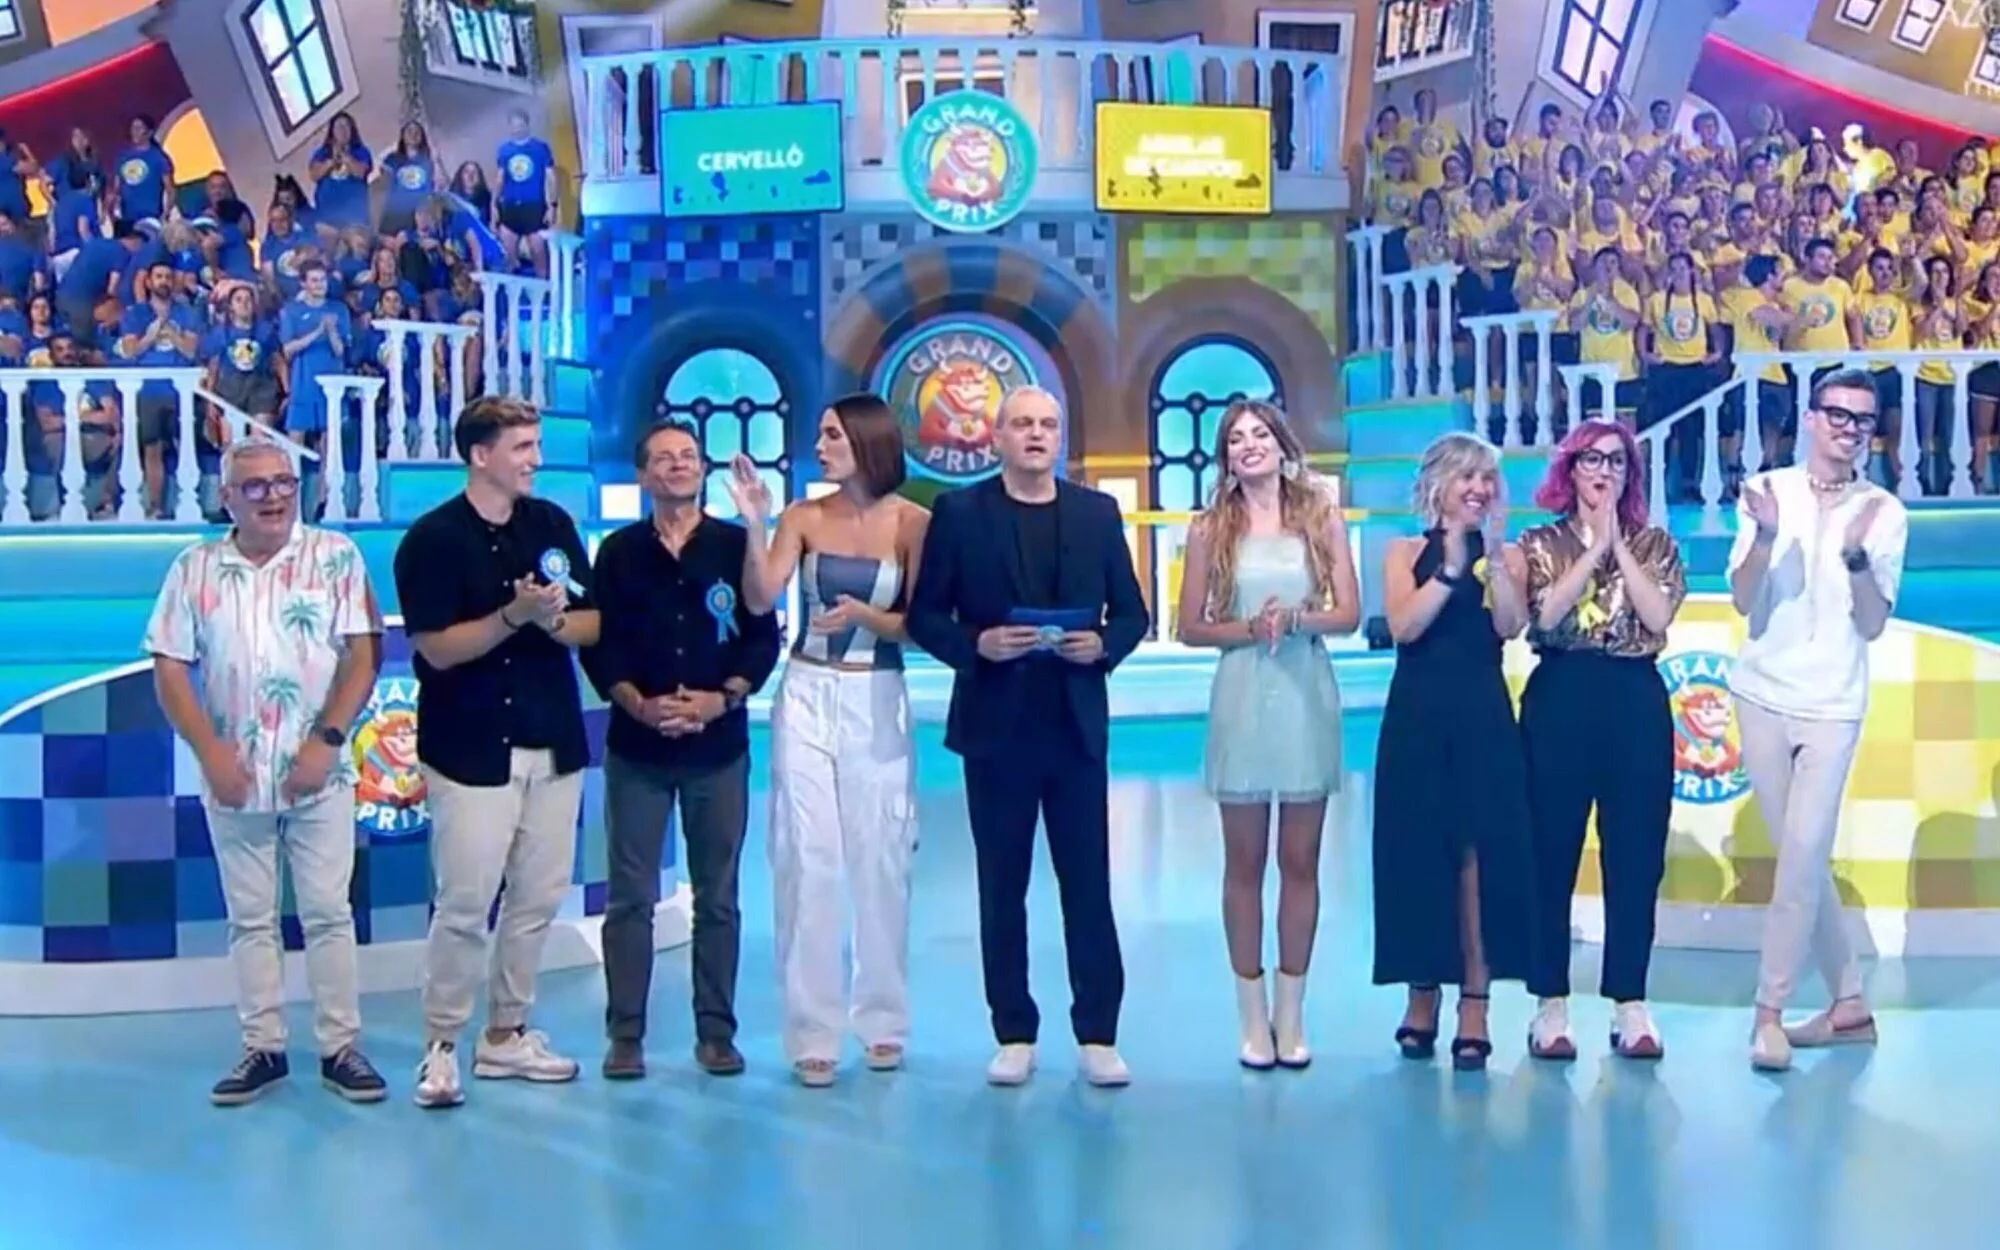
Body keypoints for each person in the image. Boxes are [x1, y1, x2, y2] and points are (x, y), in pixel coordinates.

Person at [905, 386, 1150, 1088]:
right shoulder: (959, 513)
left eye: (1047, 424)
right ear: (997, 438)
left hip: (1074, 727)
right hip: (996, 726)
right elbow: (926, 616)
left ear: (1060, 436)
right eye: (1022, 424)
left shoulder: (1097, 513)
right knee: (1001, 884)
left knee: (1088, 884)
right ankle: (1013, 1030)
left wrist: (1102, 646)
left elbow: (1132, 614)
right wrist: (976, 645)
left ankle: (1098, 1033)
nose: (1036, 434)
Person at [143, 438, 387, 1106]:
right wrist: (210, 753)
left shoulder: (336, 555)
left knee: (328, 912)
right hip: (235, 779)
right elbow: (169, 666)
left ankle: (341, 1048)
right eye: (255, 487)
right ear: (227, 498)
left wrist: (327, 741)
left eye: (284, 483)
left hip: (321, 774)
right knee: (250, 919)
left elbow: (365, 653)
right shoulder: (194, 568)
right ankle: (263, 1047)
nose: (274, 496)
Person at [392, 395, 601, 1109]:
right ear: (480, 455)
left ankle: (507, 1034)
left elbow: (593, 623)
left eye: (537, 445)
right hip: (469, 747)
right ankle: (441, 1045)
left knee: (537, 898)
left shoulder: (553, 526)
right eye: (522, 447)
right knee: (465, 902)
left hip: (553, 741)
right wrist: (513, 615)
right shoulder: (432, 541)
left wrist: (552, 619)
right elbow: (438, 650)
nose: (536, 459)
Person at [729, 394, 930, 1087]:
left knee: (881, 858)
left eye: (832, 435)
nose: (820, 446)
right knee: (806, 858)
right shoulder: (802, 517)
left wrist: (868, 615)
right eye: (820, 435)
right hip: (808, 693)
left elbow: (921, 625)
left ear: (868, 441)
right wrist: (755, 521)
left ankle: (883, 1022)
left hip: (877, 693)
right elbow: (761, 597)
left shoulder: (913, 523)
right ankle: (812, 1032)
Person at [584, 421, 780, 1080]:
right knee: (629, 899)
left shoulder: (735, 545)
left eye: (689, 456)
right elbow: (601, 644)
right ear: (643, 475)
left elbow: (762, 637)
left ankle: (716, 1034)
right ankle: (626, 1036)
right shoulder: (618, 553)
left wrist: (721, 699)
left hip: (718, 749)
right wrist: (635, 702)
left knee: (718, 899)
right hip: (636, 750)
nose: (678, 465)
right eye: (664, 458)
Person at [1727, 368, 1907, 1072]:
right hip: (1761, 695)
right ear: (1811, 417)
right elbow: (1743, 598)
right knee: (1801, 861)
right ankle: (1850, 1004)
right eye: (1838, 414)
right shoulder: (1767, 491)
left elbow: (1873, 622)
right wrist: (1766, 537)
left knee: (1801, 857)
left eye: (1862, 419)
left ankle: (1767, 1012)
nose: (1850, 428)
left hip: (1833, 705)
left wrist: (1856, 556)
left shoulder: (1885, 512)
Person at [1174, 400, 1357, 1070]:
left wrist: (1299, 620)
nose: (1248, 445)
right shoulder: (1209, 528)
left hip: (1305, 690)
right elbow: (1190, 627)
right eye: (1235, 439)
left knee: (1300, 861)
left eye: (1259, 434)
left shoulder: (1320, 516)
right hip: (1243, 692)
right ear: (1225, 456)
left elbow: (1349, 613)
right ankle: (1251, 1019)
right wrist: (1249, 629)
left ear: (1283, 444)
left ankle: (1291, 1014)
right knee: (1244, 863)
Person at [1517, 418, 1687, 1061]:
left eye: (1616, 461)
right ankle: (1550, 1004)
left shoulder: (1656, 544)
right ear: (1570, 468)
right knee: (1549, 850)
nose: (1603, 471)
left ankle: (1630, 1004)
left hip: (1634, 697)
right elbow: (1544, 614)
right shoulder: (1540, 542)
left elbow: (1657, 616)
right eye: (1591, 459)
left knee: (1636, 854)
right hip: (1561, 693)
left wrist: (1619, 545)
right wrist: (1592, 550)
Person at [1371, 431, 1536, 1072]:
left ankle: (1475, 1000)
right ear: (1437, 484)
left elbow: (1510, 625)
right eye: (1467, 476)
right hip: (1417, 714)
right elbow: (1405, 625)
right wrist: (1449, 567)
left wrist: (1490, 557)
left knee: (1476, 860)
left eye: (1487, 478)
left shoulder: (1507, 555)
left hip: (1482, 714)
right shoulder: (1404, 552)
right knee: (1418, 852)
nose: (1479, 488)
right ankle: (1421, 993)